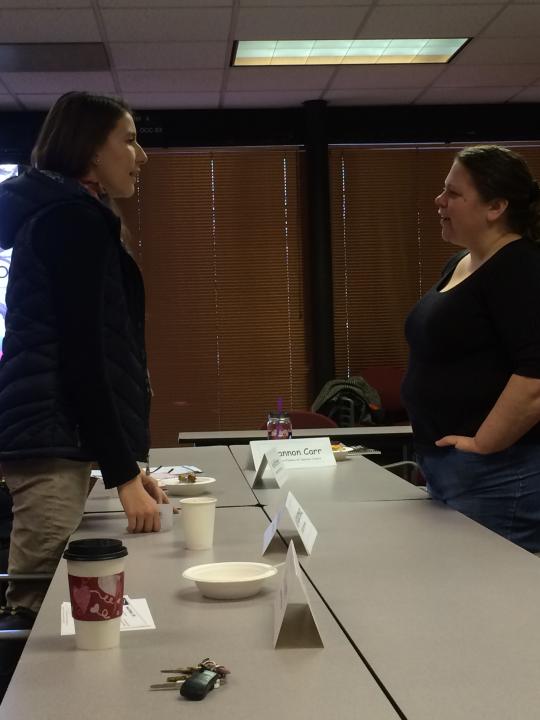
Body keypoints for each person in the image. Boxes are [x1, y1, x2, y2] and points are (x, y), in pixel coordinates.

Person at [0, 91, 170, 627]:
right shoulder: (71, 219)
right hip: (50, 449)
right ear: (92, 150)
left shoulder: (68, 214)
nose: (140, 155)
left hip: (54, 441)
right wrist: (122, 473)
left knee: (54, 613)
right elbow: (84, 356)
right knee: (40, 620)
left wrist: (126, 465)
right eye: (129, 139)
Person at [402, 144, 540, 553]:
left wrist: (483, 446)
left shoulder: (520, 268)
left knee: (490, 603)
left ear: (496, 206)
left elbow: (535, 378)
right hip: (454, 469)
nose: (439, 201)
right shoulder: (463, 262)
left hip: (499, 474)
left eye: (453, 194)